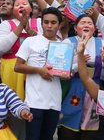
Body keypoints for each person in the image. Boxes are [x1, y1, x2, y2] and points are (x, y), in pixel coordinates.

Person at [58, 13, 104, 139]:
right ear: (75, 27)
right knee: (68, 128)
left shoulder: (101, 43)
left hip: (94, 89)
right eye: (83, 22)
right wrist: (79, 61)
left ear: (94, 28)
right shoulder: (68, 42)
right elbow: (61, 71)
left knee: (91, 128)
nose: (86, 25)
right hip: (73, 87)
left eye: (90, 23)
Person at [15, 7, 65, 140]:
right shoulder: (31, 41)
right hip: (34, 102)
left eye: (53, 23)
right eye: (46, 22)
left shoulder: (63, 46)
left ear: (59, 25)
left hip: (54, 102)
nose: (49, 26)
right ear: (41, 23)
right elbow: (17, 66)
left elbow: (65, 72)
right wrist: (39, 70)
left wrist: (66, 74)